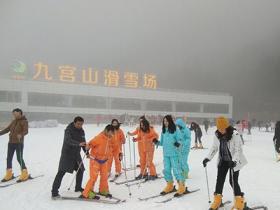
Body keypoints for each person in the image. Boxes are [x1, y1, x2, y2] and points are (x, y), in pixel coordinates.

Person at [203, 117, 247, 210]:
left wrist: (234, 161)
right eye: (219, 128)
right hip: (223, 160)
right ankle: (218, 200)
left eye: (223, 129)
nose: (221, 130)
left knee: (233, 181)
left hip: (234, 162)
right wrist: (207, 158)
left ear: (227, 127)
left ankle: (239, 201)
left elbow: (238, 150)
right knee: (219, 180)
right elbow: (214, 147)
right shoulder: (217, 135)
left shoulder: (235, 134)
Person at [51, 116, 87, 198]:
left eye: (81, 124)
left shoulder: (81, 131)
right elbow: (68, 140)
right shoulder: (68, 130)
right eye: (78, 124)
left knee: (81, 170)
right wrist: (78, 143)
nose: (80, 126)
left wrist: (86, 152)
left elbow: (83, 142)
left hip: (76, 155)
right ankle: (54, 191)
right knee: (61, 172)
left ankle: (78, 187)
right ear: (74, 123)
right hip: (67, 154)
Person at [154, 115, 186, 197]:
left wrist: (178, 143)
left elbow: (181, 140)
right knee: (166, 170)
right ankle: (170, 185)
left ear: (170, 121)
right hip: (166, 154)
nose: (165, 123)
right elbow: (162, 142)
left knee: (176, 170)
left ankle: (181, 186)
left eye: (167, 121)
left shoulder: (176, 130)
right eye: (164, 121)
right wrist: (156, 142)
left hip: (174, 154)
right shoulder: (164, 131)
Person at [81, 125, 115, 199]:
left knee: (104, 176)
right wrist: (88, 147)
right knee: (93, 177)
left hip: (104, 161)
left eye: (112, 133)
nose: (111, 135)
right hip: (95, 160)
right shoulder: (99, 137)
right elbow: (90, 143)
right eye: (111, 133)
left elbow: (114, 147)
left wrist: (119, 153)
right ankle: (87, 192)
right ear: (106, 130)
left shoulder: (110, 139)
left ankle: (103, 190)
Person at [0, 108, 29, 182]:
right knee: (9, 158)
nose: (14, 115)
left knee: (19, 158)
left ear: (20, 113)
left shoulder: (24, 121)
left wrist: (21, 135)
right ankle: (9, 174)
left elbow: (26, 131)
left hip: (19, 143)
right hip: (11, 142)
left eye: (15, 114)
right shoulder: (13, 121)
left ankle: (24, 173)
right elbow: (7, 129)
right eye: (13, 114)